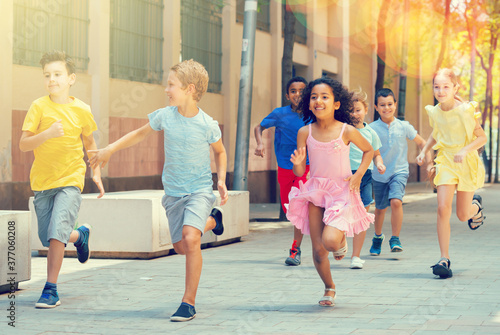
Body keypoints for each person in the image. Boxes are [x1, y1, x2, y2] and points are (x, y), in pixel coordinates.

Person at [89, 59, 227, 322]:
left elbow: (220, 152)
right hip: (173, 193)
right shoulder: (165, 116)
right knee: (179, 246)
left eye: (171, 84)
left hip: (198, 191)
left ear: (189, 88)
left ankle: (188, 302)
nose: (166, 89)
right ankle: (213, 221)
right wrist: (109, 149)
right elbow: (139, 134)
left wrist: (220, 179)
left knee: (190, 238)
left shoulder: (208, 124)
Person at [19, 51, 105, 308]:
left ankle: (50, 289)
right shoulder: (38, 107)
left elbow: (90, 142)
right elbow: (24, 144)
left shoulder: (82, 110)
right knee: (49, 237)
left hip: (70, 180)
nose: (52, 79)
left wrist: (96, 172)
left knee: (56, 235)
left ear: (71, 79)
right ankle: (80, 236)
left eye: (57, 75)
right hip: (43, 182)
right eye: (47, 75)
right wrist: (47, 134)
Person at [285, 77, 375, 307]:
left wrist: (358, 176)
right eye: (314, 97)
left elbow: (369, 151)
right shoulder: (305, 132)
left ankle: (340, 241)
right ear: (308, 103)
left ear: (336, 104)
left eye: (325, 97)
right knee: (317, 250)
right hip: (315, 192)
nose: (319, 101)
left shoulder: (346, 130)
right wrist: (298, 162)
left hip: (341, 192)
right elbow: (299, 170)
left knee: (331, 242)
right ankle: (329, 286)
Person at [416, 68, 486, 279]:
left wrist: (464, 150)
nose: (440, 90)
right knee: (442, 208)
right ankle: (443, 259)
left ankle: (476, 207)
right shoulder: (435, 111)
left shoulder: (466, 110)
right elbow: (436, 134)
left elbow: (481, 137)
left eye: (446, 86)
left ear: (455, 88)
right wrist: (424, 151)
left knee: (462, 215)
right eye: (437, 86)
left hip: (465, 162)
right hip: (445, 161)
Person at [254, 76, 309, 266]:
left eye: (302, 91)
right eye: (293, 91)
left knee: (300, 207)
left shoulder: (313, 114)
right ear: (287, 95)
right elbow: (259, 127)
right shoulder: (280, 114)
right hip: (285, 167)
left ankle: (295, 250)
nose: (298, 94)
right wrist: (260, 144)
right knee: (290, 210)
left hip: (306, 166)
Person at [368, 88, 431, 256]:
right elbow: (367, 151)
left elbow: (422, 142)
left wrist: (425, 157)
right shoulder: (372, 128)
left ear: (395, 105)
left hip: (399, 171)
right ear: (376, 107)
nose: (386, 108)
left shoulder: (404, 126)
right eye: (382, 105)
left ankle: (395, 238)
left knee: (396, 201)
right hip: (379, 174)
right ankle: (377, 237)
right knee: (380, 209)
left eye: (390, 104)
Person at [349, 90, 386, 269]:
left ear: (365, 110)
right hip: (345, 176)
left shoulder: (371, 132)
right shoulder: (343, 131)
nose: (354, 114)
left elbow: (376, 154)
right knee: (342, 213)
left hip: (365, 177)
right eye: (351, 111)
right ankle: (339, 243)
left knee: (362, 216)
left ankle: (356, 256)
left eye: (357, 110)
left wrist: (379, 164)